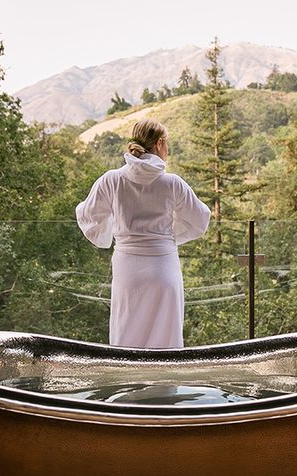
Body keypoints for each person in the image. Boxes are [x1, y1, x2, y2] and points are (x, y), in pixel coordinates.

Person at [76, 119, 211, 348]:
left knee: (127, 337)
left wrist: (117, 229)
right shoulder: (172, 184)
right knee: (166, 344)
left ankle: (128, 384)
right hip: (164, 269)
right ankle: (164, 384)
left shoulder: (112, 180)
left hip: (128, 270)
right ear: (159, 144)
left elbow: (88, 216)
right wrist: (167, 236)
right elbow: (200, 219)